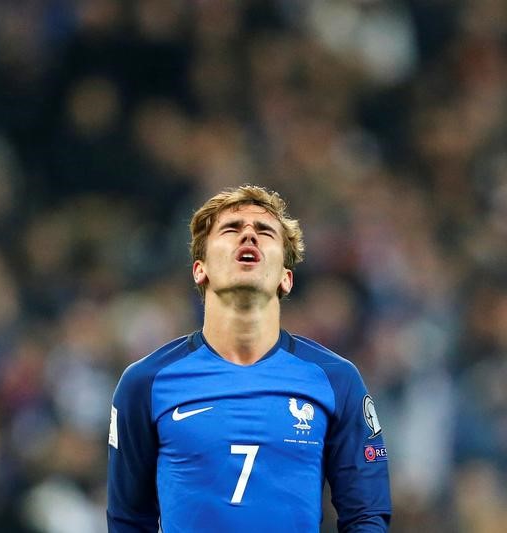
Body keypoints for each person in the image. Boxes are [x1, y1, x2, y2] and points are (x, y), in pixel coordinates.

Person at [107, 185, 391, 532]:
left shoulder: (336, 379)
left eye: (265, 231)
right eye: (231, 228)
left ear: (286, 279)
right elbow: (128, 520)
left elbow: (366, 515)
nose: (249, 236)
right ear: (200, 269)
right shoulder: (145, 383)